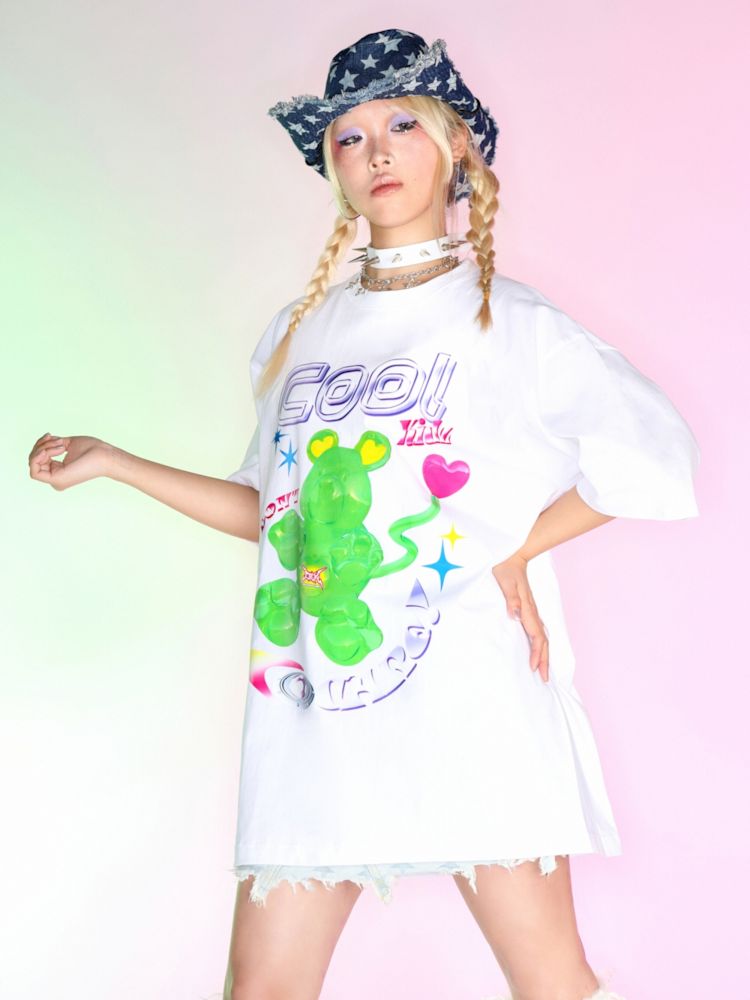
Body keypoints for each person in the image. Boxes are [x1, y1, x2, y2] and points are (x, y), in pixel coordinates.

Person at [28, 27, 700, 1000]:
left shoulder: (511, 321)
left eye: (401, 125)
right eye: (349, 137)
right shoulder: (300, 333)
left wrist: (517, 548)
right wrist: (117, 464)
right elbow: (278, 517)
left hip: (472, 700)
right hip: (314, 715)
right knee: (261, 988)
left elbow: (657, 455)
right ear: (333, 168)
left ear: (456, 145)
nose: (376, 152)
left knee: (552, 983)